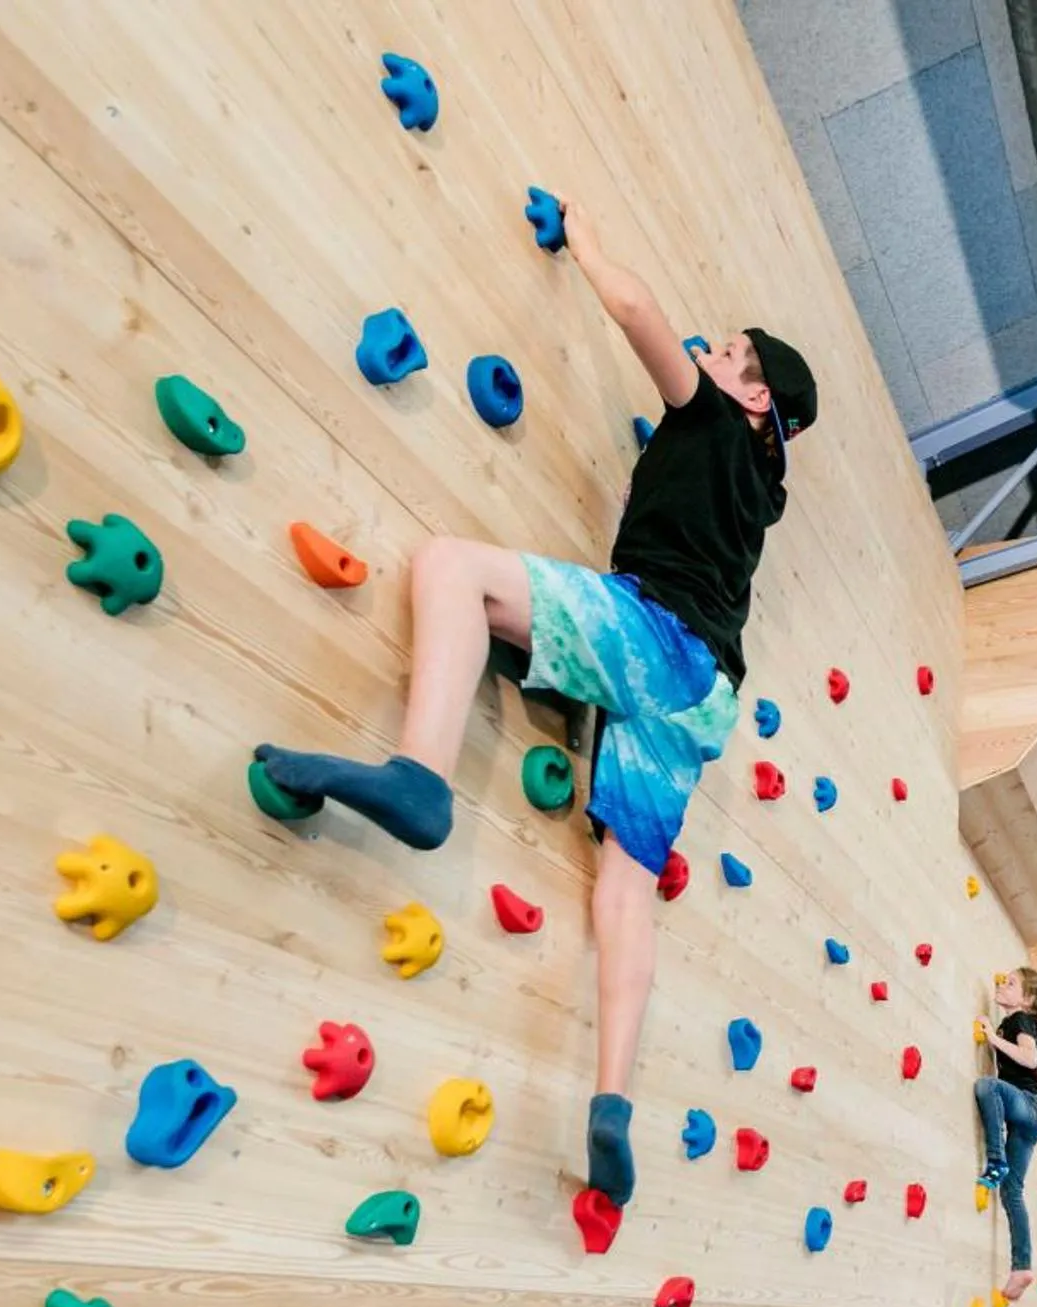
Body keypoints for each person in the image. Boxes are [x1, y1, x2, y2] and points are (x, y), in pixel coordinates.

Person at [250, 192, 817, 1222]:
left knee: (450, 567)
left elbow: (638, 312)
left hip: (655, 640)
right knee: (625, 892)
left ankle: (420, 778)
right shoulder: (756, 497)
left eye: (728, 352)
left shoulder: (709, 419)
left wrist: (586, 240)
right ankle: (609, 1100)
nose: (709, 349)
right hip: (705, 696)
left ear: (748, 396)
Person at [976, 967, 1037, 1301]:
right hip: (1031, 1117)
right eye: (1003, 981)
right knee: (1012, 1192)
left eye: (1012, 984)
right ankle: (1021, 1268)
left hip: (1029, 1106)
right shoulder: (1015, 1021)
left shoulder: (1021, 1021)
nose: (1003, 985)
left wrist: (992, 1038)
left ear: (1027, 999)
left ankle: (995, 1160)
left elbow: (1028, 1057)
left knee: (986, 1086)